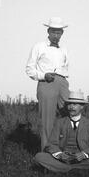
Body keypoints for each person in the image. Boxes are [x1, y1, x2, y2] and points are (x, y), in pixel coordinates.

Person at [26, 17, 70, 150]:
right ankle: (47, 153)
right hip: (46, 83)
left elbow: (66, 67)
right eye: (54, 32)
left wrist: (63, 82)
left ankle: (66, 149)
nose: (56, 35)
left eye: (59, 32)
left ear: (62, 33)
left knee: (70, 113)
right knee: (48, 120)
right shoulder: (39, 46)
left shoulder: (64, 49)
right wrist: (43, 75)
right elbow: (29, 69)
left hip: (62, 82)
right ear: (48, 31)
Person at [33, 90, 89, 173]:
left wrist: (84, 154)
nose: (71, 107)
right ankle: (73, 170)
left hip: (81, 159)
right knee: (39, 156)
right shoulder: (59, 122)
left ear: (82, 106)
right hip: (62, 158)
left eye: (75, 104)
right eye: (69, 104)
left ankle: (62, 169)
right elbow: (51, 144)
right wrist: (59, 155)